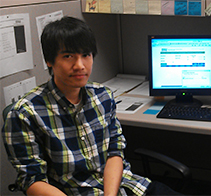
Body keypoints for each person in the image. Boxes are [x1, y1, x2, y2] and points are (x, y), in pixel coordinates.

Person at [2, 16, 182, 196]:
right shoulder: (24, 113)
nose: (80, 65)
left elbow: (115, 152)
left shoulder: (102, 96)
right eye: (68, 56)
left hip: (126, 186)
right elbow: (31, 180)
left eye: (86, 55)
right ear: (49, 61)